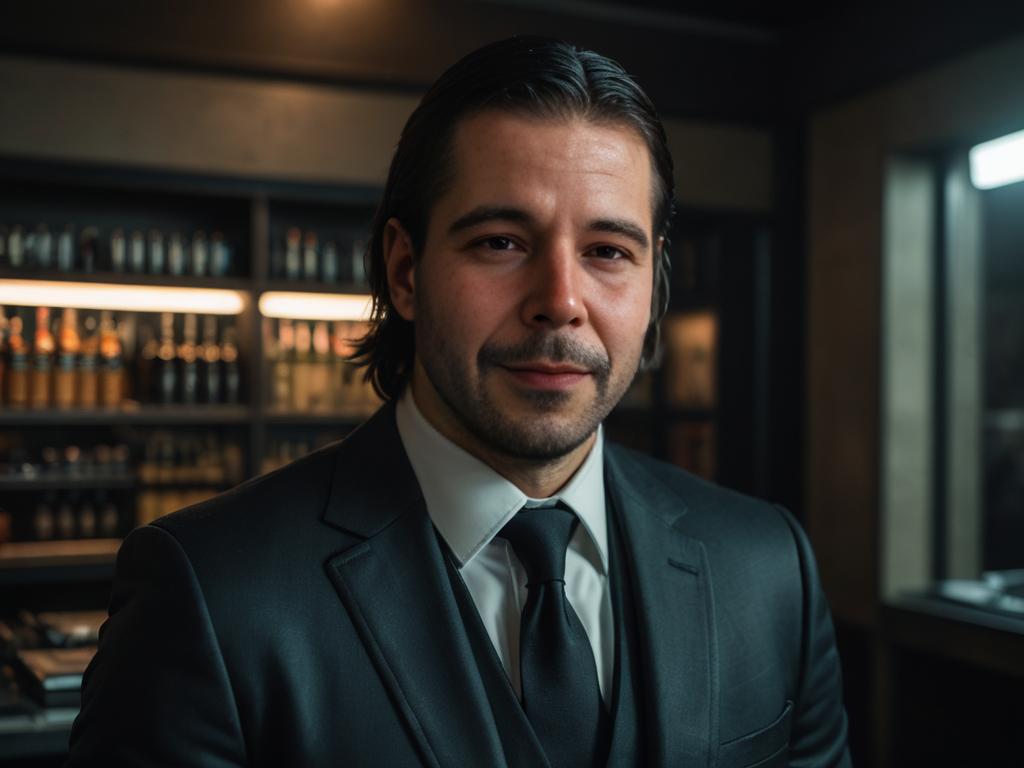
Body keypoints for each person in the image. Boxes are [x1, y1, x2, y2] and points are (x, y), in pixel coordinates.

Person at [66, 36, 851, 768]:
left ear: (655, 285)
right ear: (405, 272)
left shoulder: (768, 566)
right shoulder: (209, 594)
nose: (560, 301)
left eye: (608, 252)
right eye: (501, 242)